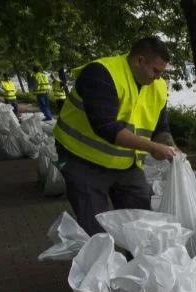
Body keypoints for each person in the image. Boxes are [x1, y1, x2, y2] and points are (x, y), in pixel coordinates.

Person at [54, 36, 178, 236]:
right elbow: (106, 126)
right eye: (155, 70)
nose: (158, 77)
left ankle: (139, 265)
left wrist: (170, 147)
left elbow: (161, 127)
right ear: (139, 60)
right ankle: (100, 263)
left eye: (161, 72)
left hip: (125, 164)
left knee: (140, 222)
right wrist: (153, 148)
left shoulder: (159, 87)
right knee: (95, 229)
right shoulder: (101, 73)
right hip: (82, 159)